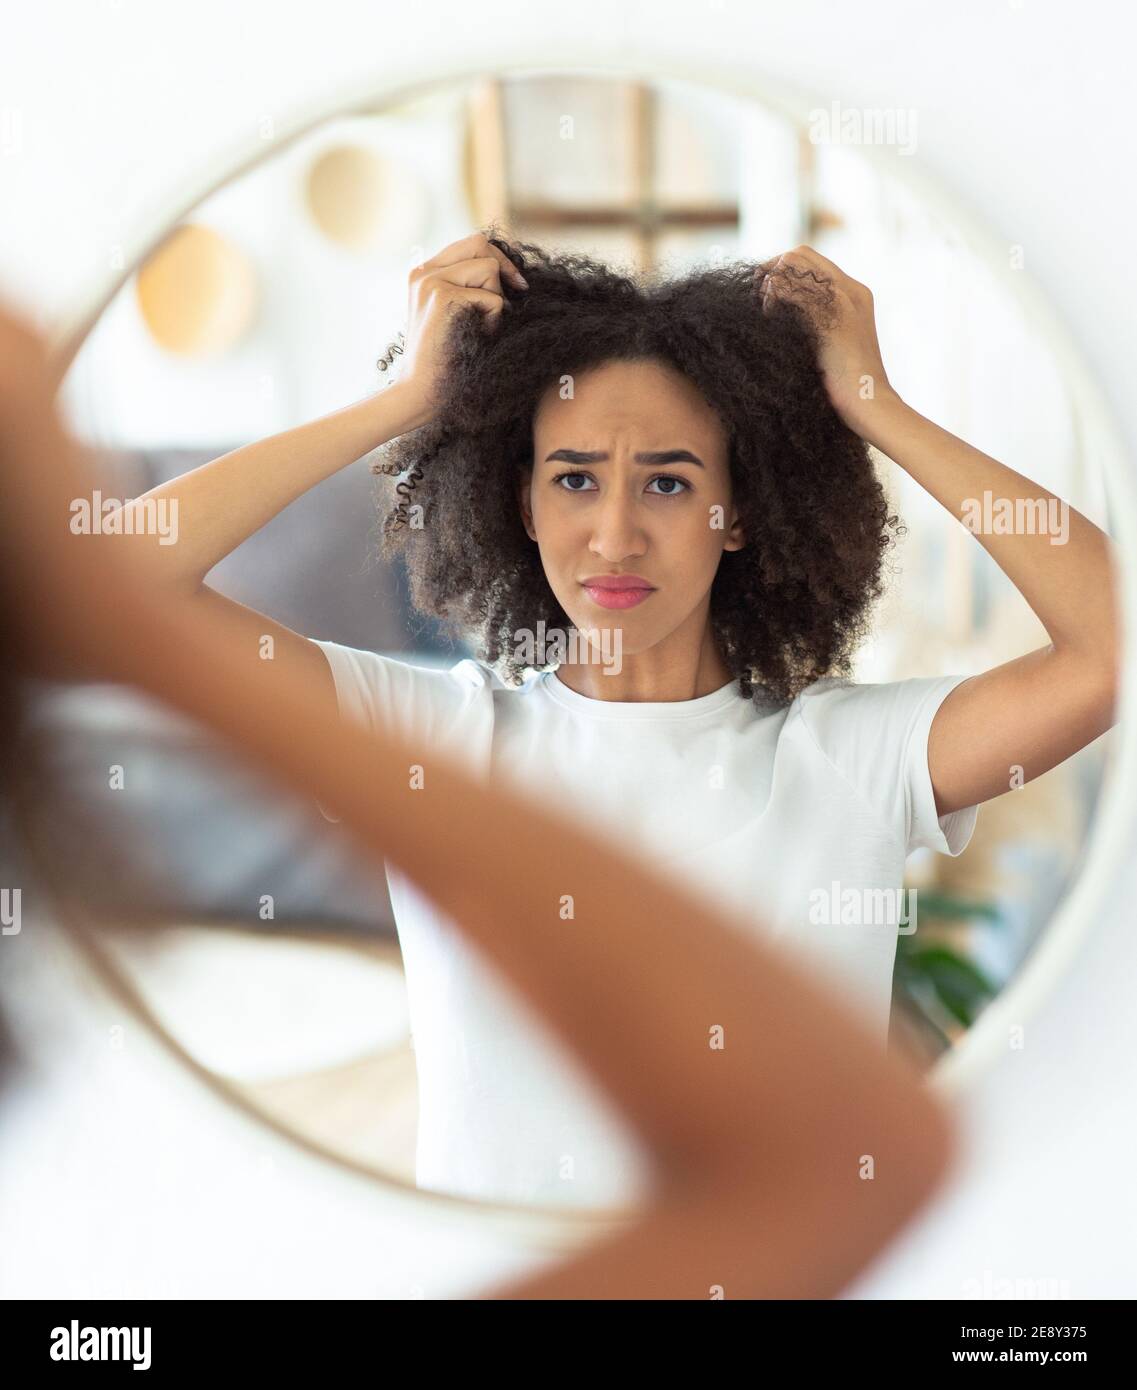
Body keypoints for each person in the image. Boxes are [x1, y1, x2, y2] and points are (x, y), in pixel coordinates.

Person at [24, 227, 1121, 1212]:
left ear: (740, 515)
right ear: (522, 501)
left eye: (670, 483)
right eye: (575, 478)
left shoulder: (856, 755)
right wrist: (401, 404)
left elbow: (1108, 647)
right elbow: (104, 583)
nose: (613, 538)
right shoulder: (430, 740)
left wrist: (876, 405)